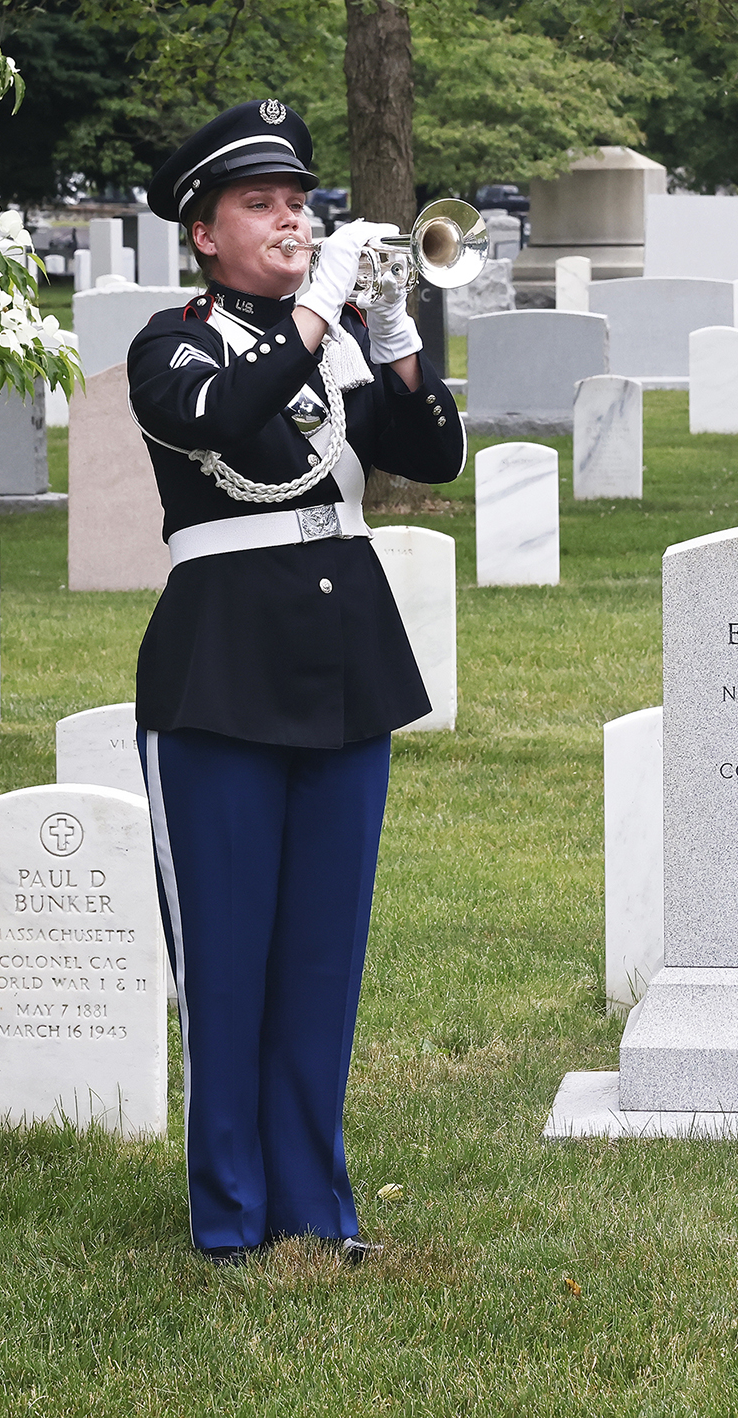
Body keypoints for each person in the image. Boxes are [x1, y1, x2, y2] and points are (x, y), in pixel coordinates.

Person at [125, 100, 467, 1262]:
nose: (292, 217)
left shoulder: (332, 353)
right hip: (218, 671)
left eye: (300, 201)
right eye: (262, 204)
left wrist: (397, 328)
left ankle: (314, 1206)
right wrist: (319, 306)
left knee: (323, 955)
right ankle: (226, 1215)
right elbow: (223, 414)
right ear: (204, 232)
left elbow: (433, 454)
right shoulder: (172, 345)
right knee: (227, 960)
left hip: (343, 665)